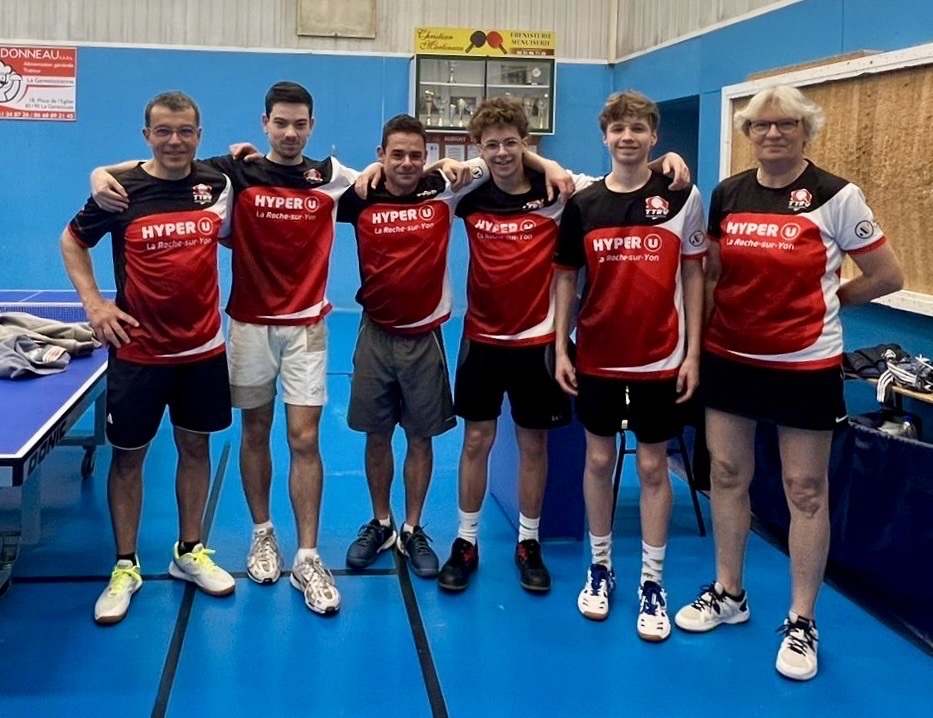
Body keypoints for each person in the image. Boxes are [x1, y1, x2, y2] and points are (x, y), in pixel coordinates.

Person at [674, 85, 903, 680]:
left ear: (806, 131)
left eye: (786, 124)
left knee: (805, 490)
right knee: (727, 476)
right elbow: (714, 273)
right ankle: (729, 593)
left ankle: (802, 620)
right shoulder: (728, 194)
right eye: (761, 125)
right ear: (748, 134)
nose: (772, 133)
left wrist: (830, 299)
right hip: (731, 358)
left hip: (805, 365)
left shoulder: (836, 195)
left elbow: (886, 275)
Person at [438, 96, 691, 594]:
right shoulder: (469, 192)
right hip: (481, 340)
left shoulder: (560, 191)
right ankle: (465, 541)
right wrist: (443, 164)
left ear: (526, 143)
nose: (502, 153)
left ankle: (528, 542)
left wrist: (666, 160)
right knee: (475, 441)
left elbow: (624, 175)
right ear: (479, 149)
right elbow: (425, 177)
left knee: (534, 445)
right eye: (492, 145)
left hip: (539, 342)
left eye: (512, 143)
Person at [337, 113, 574, 578]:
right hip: (383, 332)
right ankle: (385, 524)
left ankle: (420, 529)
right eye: (396, 155)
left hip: (451, 335)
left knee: (426, 435)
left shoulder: (448, 187)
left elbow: (500, 158)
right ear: (381, 155)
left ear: (427, 156)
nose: (406, 163)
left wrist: (544, 162)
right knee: (380, 435)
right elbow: (306, 180)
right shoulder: (360, 193)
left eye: (415, 155)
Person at [61, 90, 237, 625]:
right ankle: (125, 566)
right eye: (163, 131)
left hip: (203, 350)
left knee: (195, 447)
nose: (174, 141)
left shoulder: (216, 184)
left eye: (184, 131)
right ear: (147, 136)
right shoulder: (120, 192)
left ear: (199, 135)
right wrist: (94, 305)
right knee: (128, 458)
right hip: (139, 352)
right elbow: (72, 241)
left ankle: (190, 552)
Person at [554, 91, 707, 639]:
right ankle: (600, 568)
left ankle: (652, 581)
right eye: (618, 128)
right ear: (604, 136)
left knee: (651, 467)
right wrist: (560, 347)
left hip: (660, 356)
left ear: (653, 136)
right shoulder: (584, 204)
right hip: (598, 353)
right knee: (598, 461)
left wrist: (693, 352)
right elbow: (566, 278)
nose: (627, 137)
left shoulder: (681, 195)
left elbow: (693, 273)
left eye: (638, 128)